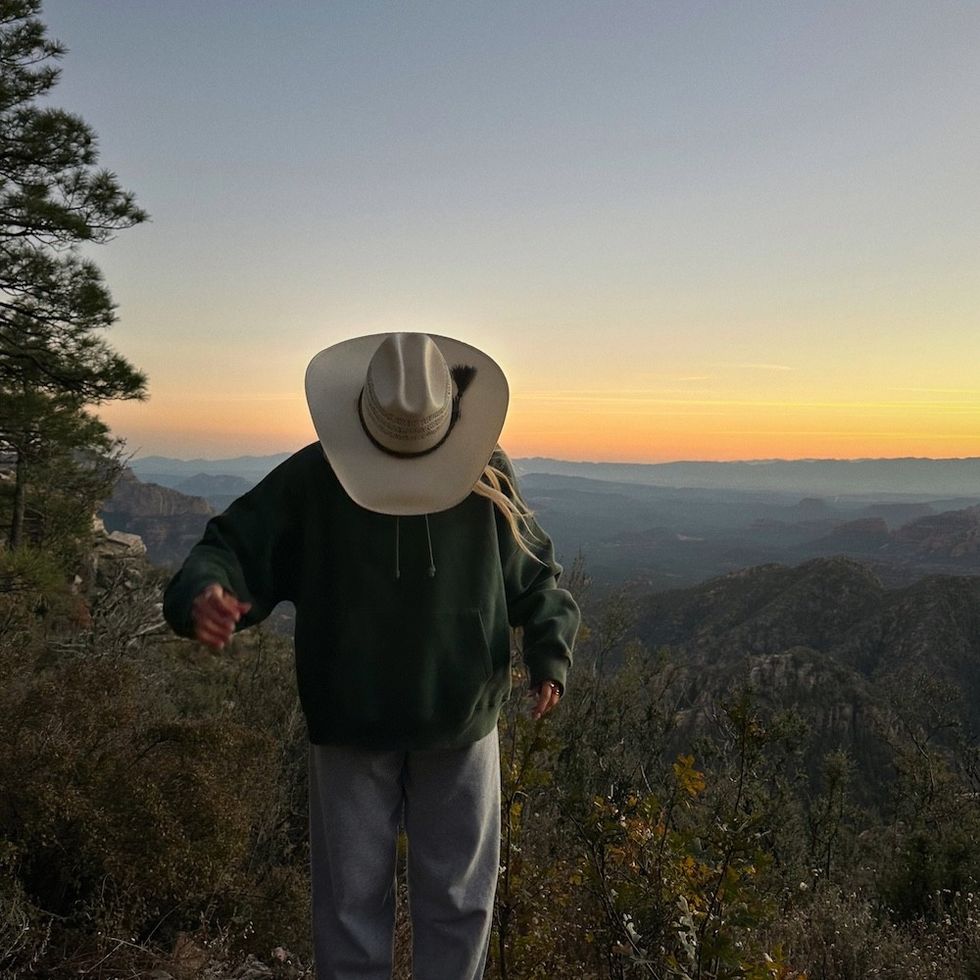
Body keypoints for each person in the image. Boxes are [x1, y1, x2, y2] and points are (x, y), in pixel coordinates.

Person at [162, 332, 580, 980]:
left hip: (458, 717)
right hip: (351, 719)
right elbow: (231, 545)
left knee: (458, 906)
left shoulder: (485, 471)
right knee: (351, 907)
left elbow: (535, 577)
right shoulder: (315, 478)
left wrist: (550, 651)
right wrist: (204, 593)